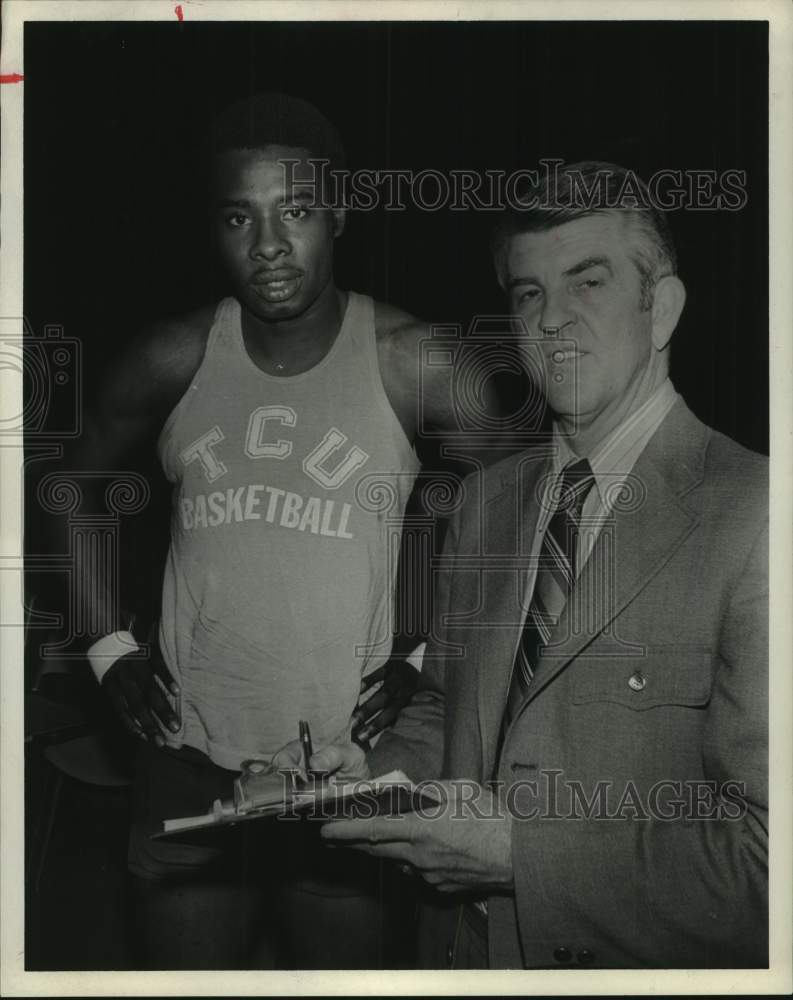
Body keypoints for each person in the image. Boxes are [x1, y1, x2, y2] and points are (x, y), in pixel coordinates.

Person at [296, 161, 769, 969]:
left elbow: (768, 867)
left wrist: (519, 854)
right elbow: (445, 710)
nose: (552, 319)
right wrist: (370, 775)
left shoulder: (757, 515)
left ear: (664, 309)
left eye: (589, 281)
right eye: (527, 293)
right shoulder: (483, 502)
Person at [65, 93, 498, 969]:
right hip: (186, 753)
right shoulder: (170, 356)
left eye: (294, 211)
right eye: (239, 216)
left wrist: (424, 652)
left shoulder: (417, 361)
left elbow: (511, 513)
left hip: (347, 758)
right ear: (212, 227)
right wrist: (107, 647)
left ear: (337, 213)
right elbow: (71, 491)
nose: (268, 244)